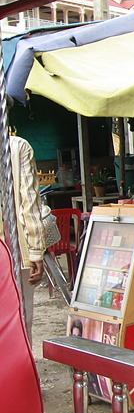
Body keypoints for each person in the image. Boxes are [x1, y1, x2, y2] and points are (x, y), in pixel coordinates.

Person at [1, 135, 46, 337]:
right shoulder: (18, 147)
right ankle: (20, 363)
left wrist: (36, 250)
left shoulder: (18, 147)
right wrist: (36, 250)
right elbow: (29, 202)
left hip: (13, 241)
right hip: (14, 242)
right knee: (21, 312)